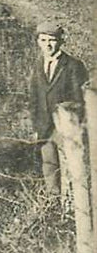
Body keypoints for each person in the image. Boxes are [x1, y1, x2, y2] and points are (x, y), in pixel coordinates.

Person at [29, 21, 89, 194]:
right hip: (44, 129)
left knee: (71, 169)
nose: (48, 44)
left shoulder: (73, 66)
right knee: (49, 168)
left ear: (61, 41)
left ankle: (72, 209)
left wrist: (71, 123)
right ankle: (54, 208)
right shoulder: (37, 65)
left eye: (52, 40)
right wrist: (36, 127)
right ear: (38, 42)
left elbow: (80, 99)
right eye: (43, 40)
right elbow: (34, 99)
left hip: (67, 128)